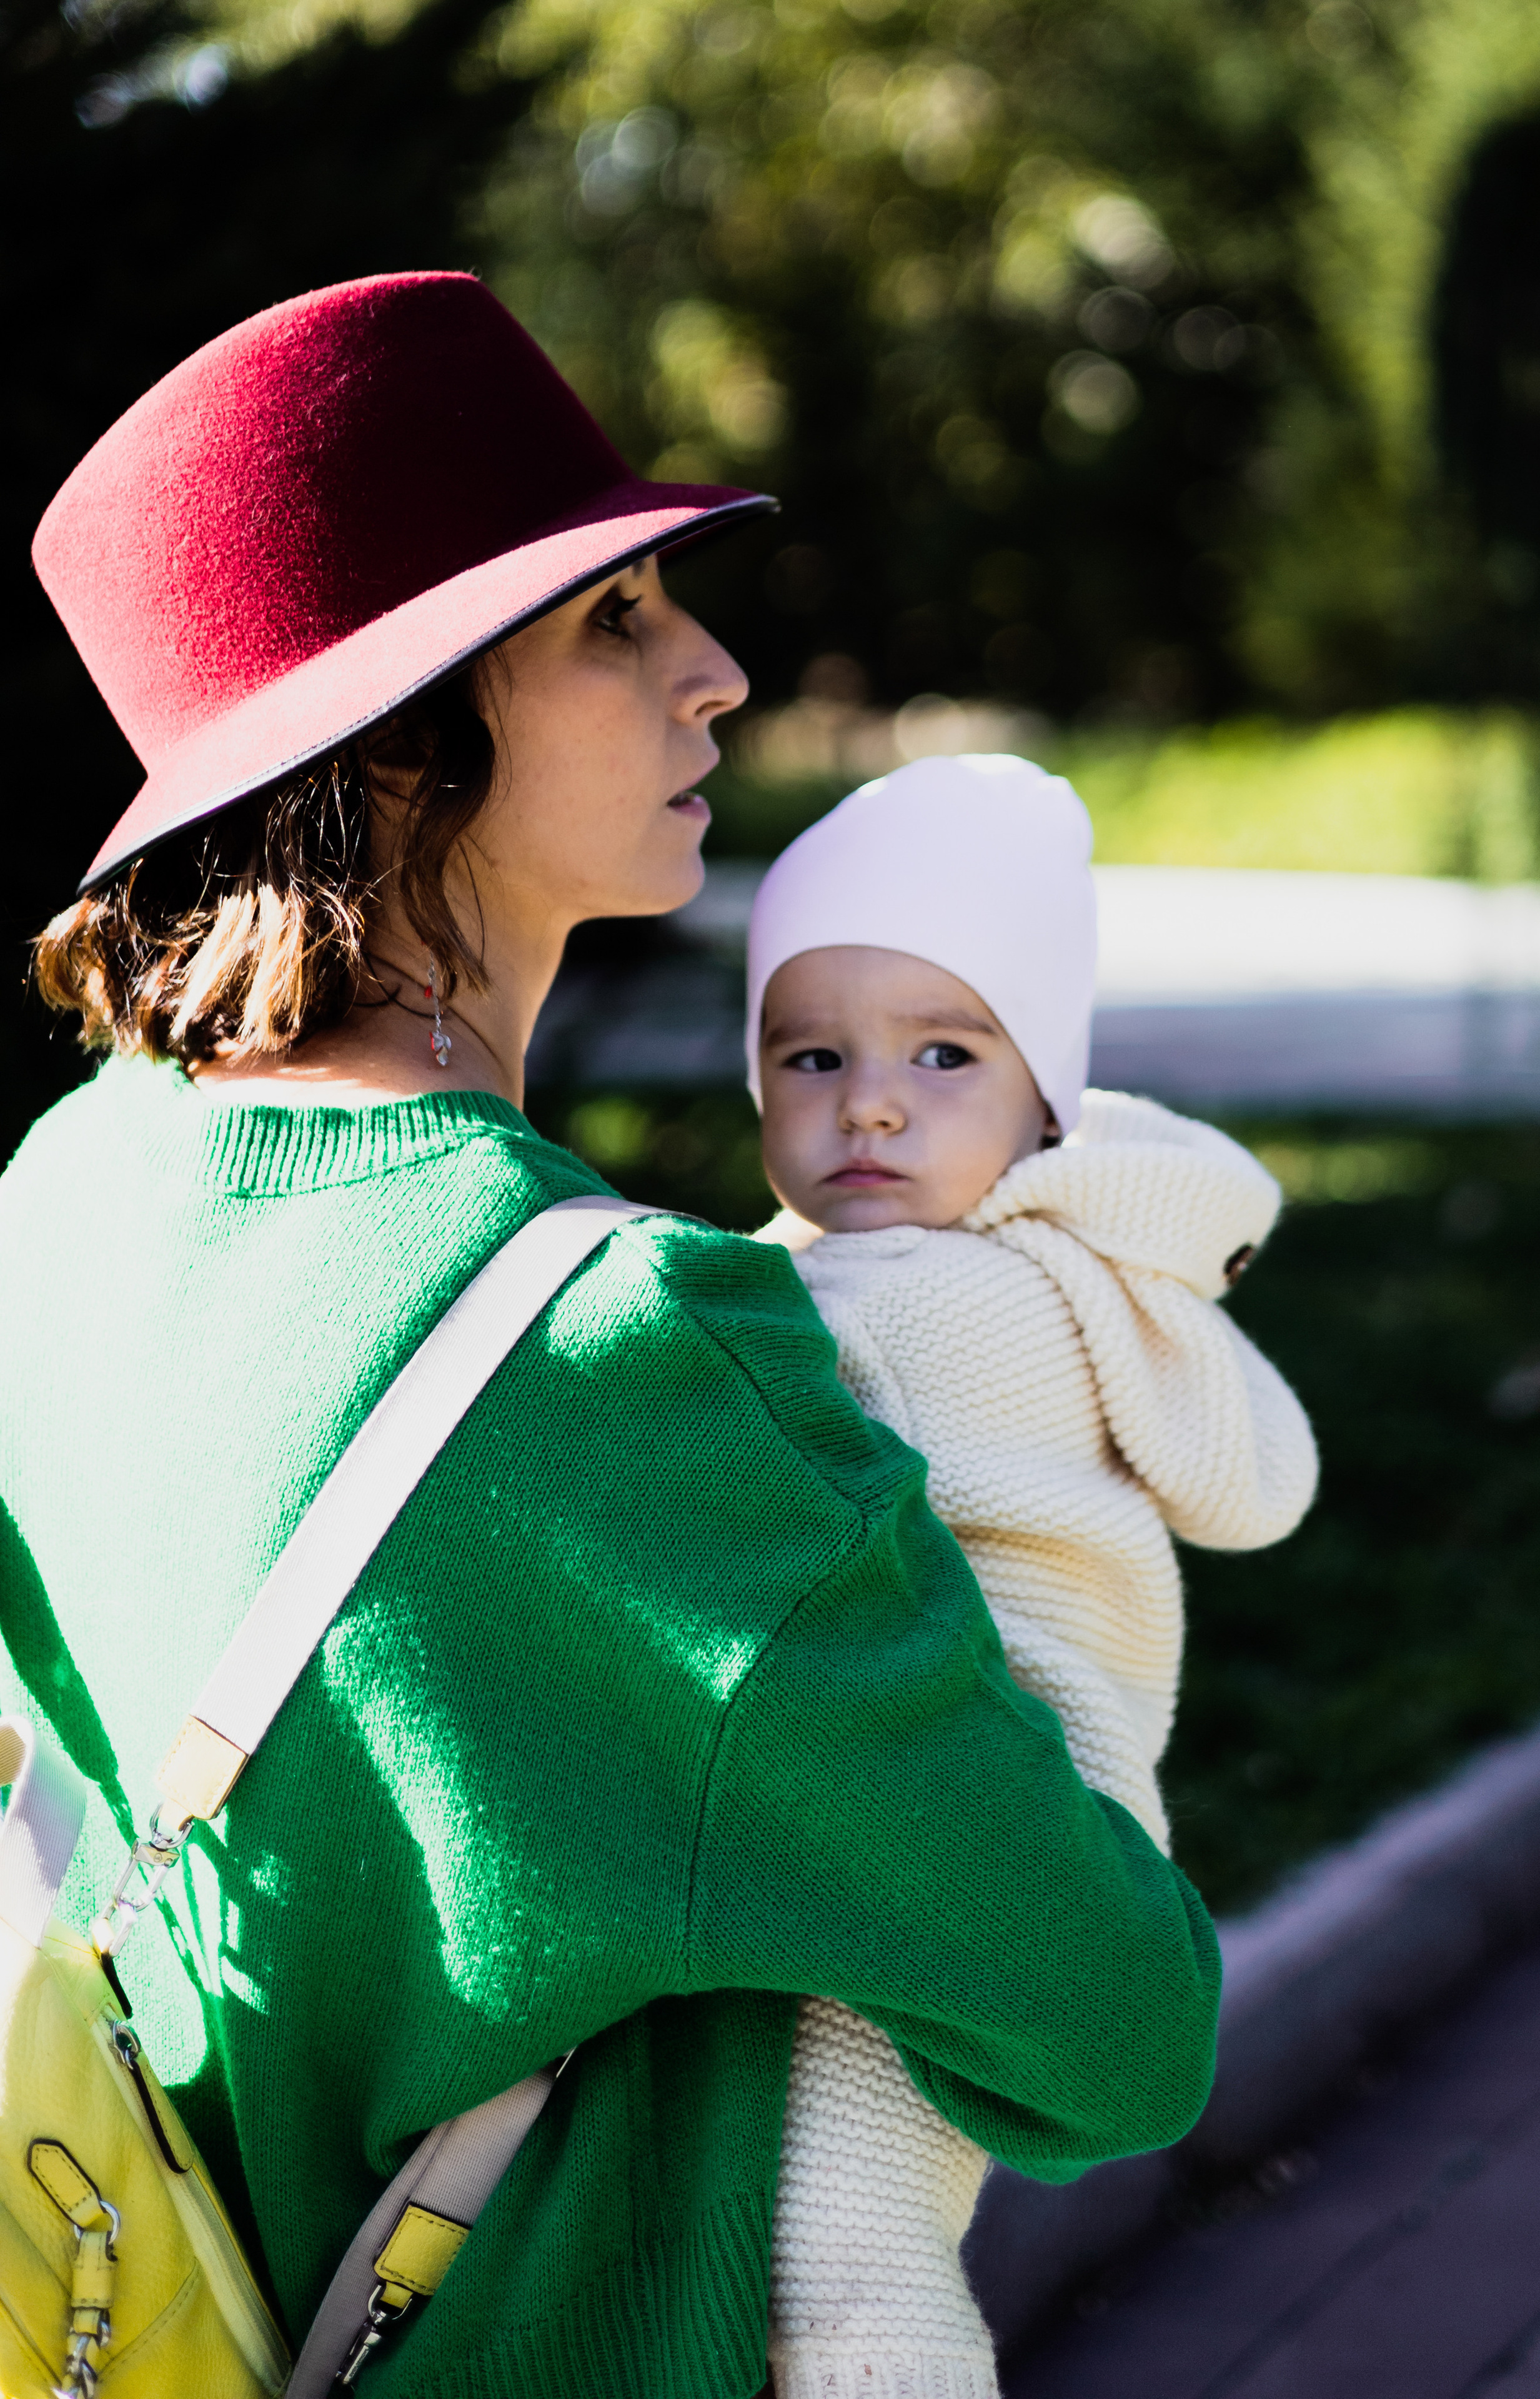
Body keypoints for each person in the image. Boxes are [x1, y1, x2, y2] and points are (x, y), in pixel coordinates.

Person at [1, 274, 1221, 2399]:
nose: (720, 675)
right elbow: (1117, 2033)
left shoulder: (62, 1204)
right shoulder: (624, 1355)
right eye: (614, 623)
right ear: (390, 748)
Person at [745, 753, 1318, 2398]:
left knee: (840, 2253)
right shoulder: (1063, 1270)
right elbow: (1256, 1486)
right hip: (1029, 1808)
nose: (870, 1104)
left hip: (970, 1810)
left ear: (1045, 1102)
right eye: (811, 1056)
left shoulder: (909, 1301)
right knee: (866, 2221)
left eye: (943, 1054)